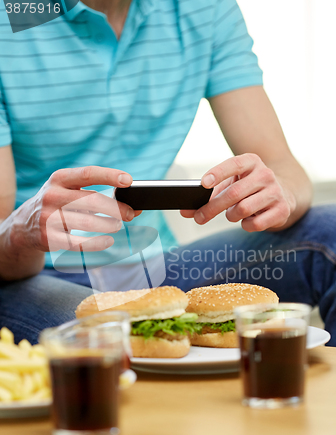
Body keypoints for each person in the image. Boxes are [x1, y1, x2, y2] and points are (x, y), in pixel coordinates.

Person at [0, 0, 335, 345]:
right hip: (36, 274)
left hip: (160, 268)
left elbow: (284, 168)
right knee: (109, 338)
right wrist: (19, 233)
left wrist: (279, 192)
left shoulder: (203, 9)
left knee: (332, 230)